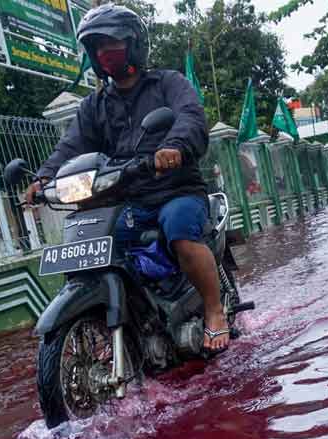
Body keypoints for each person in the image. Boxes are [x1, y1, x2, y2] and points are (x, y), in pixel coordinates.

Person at [26, 4, 229, 352]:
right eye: (97, 47)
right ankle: (135, 318)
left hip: (175, 190)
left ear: (134, 44)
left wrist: (175, 147)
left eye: (112, 43)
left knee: (179, 231)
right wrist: (44, 178)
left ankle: (214, 312)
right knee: (97, 248)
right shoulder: (94, 106)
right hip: (128, 199)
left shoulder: (168, 83)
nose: (105, 53)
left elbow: (190, 117)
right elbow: (71, 145)